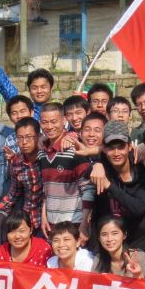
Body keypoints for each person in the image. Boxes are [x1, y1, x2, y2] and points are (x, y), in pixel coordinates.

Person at [37, 102, 94, 240]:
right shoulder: (42, 153)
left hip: (73, 224)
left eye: (54, 121)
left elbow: (88, 189)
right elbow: (45, 190)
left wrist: (84, 224)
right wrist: (44, 216)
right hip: (51, 225)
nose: (49, 126)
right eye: (44, 122)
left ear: (63, 121)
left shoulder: (75, 150)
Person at [91, 121, 145, 246]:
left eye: (121, 147)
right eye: (111, 148)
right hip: (111, 242)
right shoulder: (101, 170)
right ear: (104, 149)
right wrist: (96, 165)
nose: (116, 153)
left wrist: (109, 186)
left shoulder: (142, 169)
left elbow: (139, 208)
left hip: (142, 240)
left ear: (129, 146)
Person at [0, 36, 52, 117]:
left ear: (51, 88)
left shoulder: (60, 111)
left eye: (43, 87)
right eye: (34, 88)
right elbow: (3, 85)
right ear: (29, 90)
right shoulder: (25, 112)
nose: (39, 91)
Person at [0, 117, 45, 234]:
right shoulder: (16, 161)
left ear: (38, 137)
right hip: (28, 219)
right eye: (20, 138)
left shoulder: (47, 158)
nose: (24, 142)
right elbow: (15, 191)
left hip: (48, 219)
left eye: (29, 137)